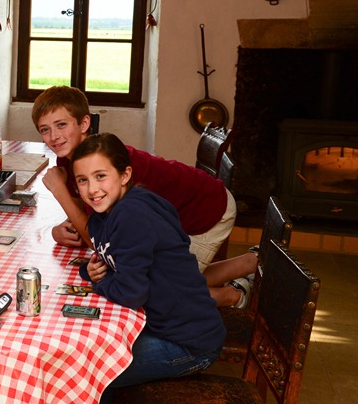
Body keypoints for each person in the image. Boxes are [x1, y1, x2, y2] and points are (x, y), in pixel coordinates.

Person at [32, 86, 256, 308]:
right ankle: (250, 262)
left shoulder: (107, 164)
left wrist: (60, 192)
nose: (54, 136)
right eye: (45, 129)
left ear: (84, 124)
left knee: (160, 290)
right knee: (163, 275)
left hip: (204, 209)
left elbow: (99, 241)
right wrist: (59, 229)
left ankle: (232, 295)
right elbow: (91, 217)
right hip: (174, 212)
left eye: (61, 125)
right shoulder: (69, 159)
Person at [72, 133, 225, 401]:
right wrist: (92, 270)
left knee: (90, 372)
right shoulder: (105, 212)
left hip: (189, 344)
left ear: (125, 175)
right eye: (82, 180)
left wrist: (100, 282)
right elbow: (110, 257)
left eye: (100, 176)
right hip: (162, 326)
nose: (92, 189)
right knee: (90, 359)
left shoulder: (132, 214)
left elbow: (131, 292)